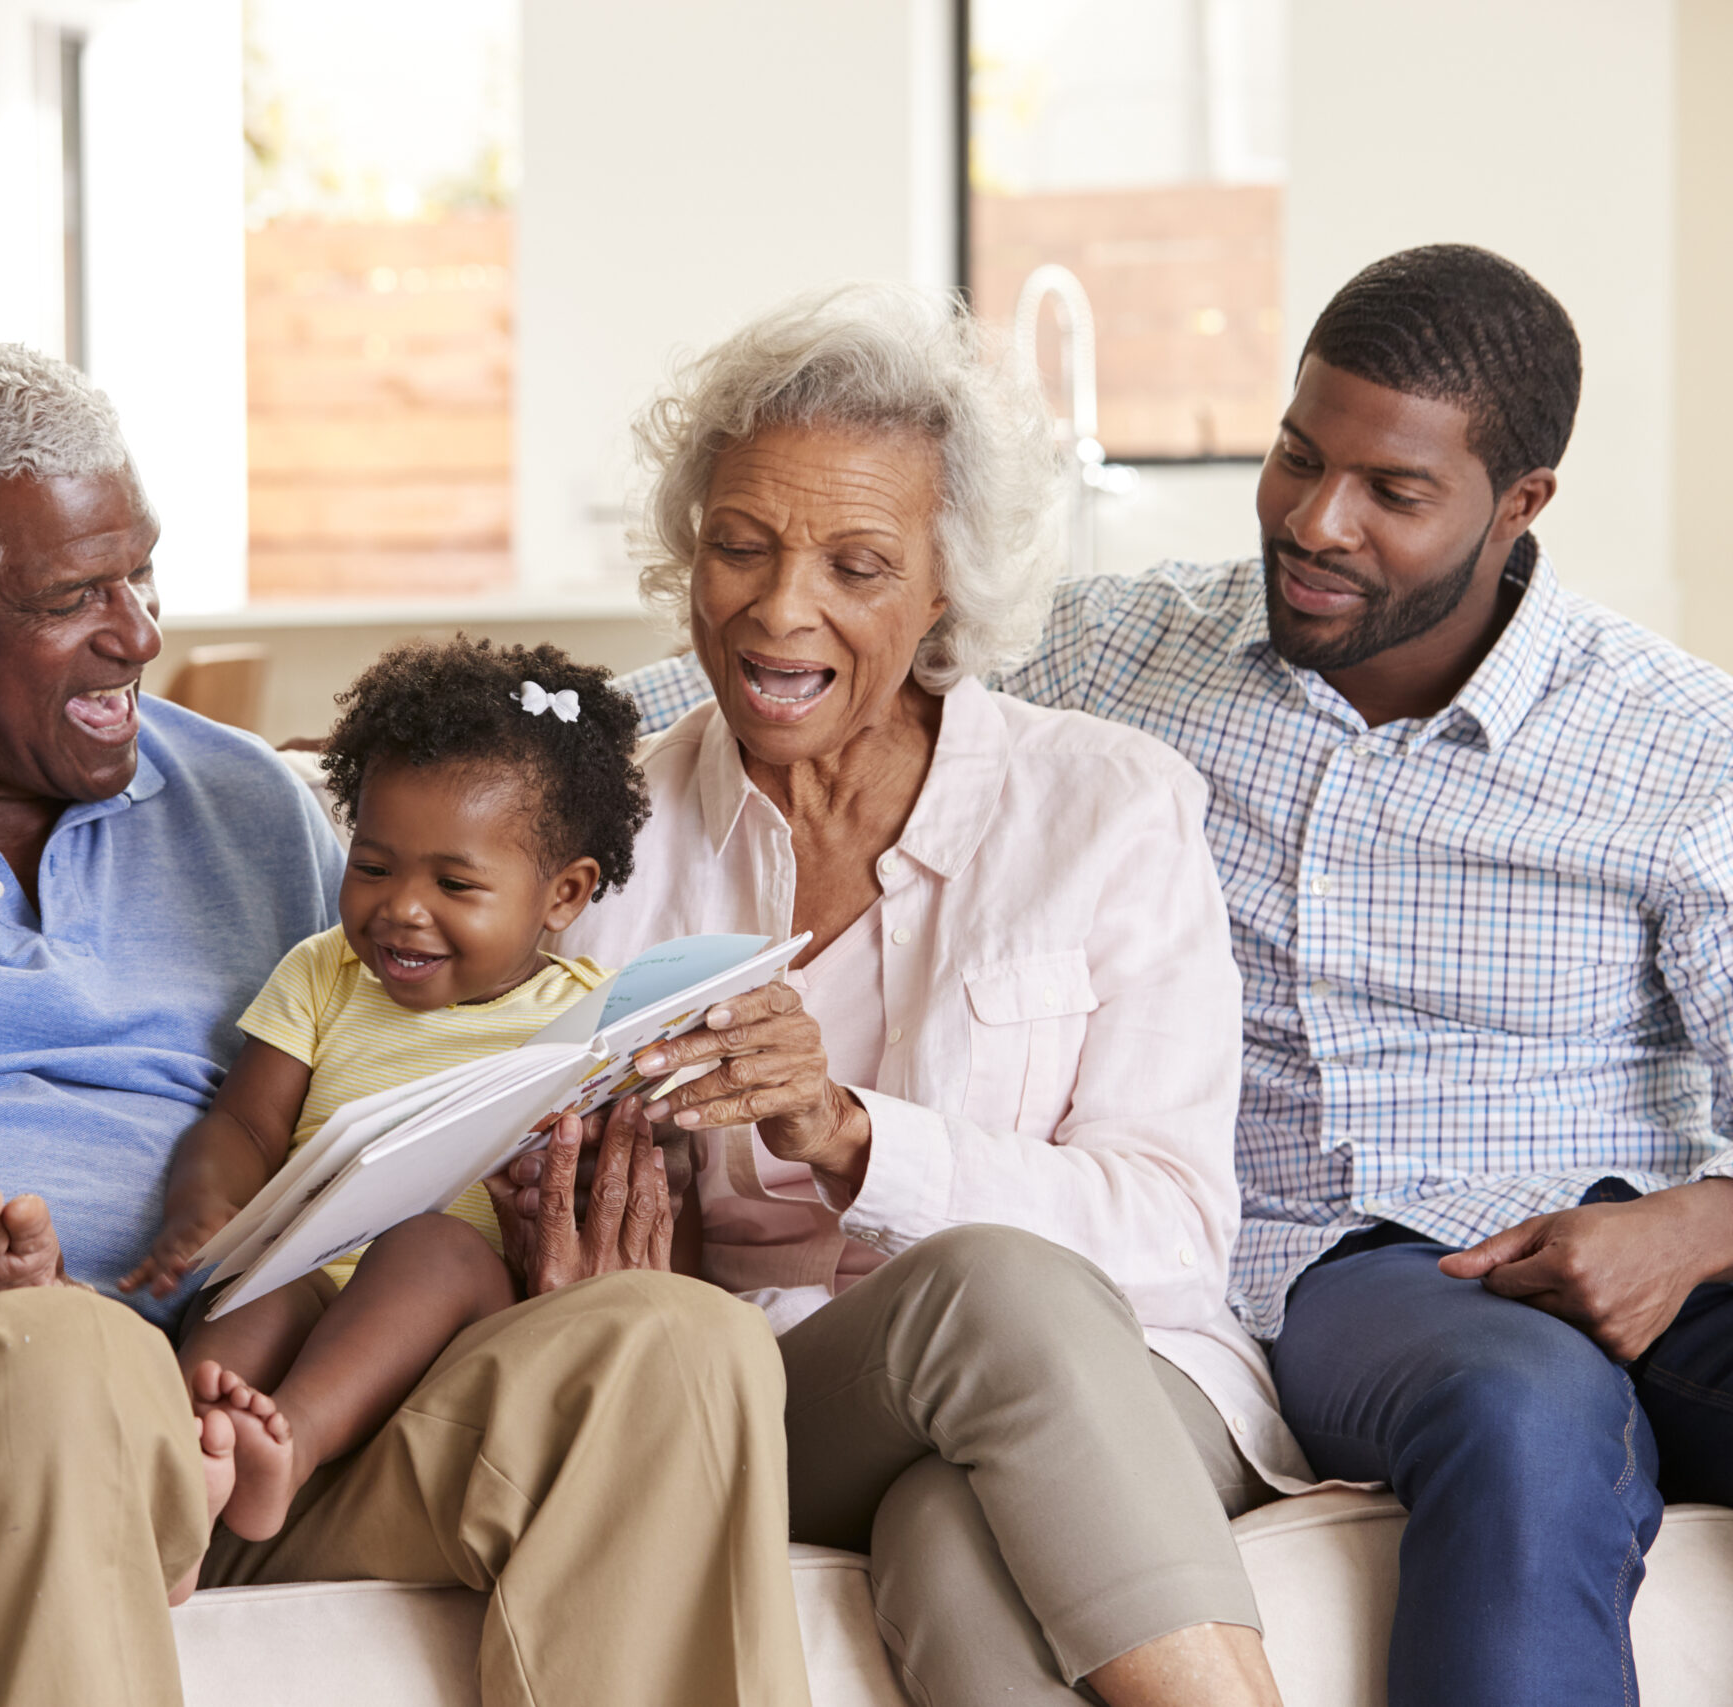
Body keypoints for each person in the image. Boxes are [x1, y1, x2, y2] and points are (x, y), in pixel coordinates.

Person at [0, 332, 814, 1707]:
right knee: (56, 1348)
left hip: (246, 1416)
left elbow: (377, 1077)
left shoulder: (246, 799)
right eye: (73, 597)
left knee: (674, 1342)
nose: (139, 633)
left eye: (140, 574)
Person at [619, 245, 1733, 1707]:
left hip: (1482, 1247)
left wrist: (1696, 1220)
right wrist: (465, 771)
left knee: (950, 1528)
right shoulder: (1126, 653)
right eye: (1297, 456)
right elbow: (755, 662)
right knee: (1514, 1404)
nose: (1316, 522)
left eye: (1392, 493)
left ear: (1519, 505)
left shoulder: (1677, 747)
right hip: (1297, 1288)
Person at [556, 283, 1316, 1707]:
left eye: (856, 564)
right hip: (787, 1391)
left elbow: (1169, 1233)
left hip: (1127, 1369)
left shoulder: (1105, 806)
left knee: (950, 1525)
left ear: (945, 585)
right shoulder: (606, 841)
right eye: (740, 546)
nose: (780, 609)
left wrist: (855, 1138)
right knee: (985, 1291)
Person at [124, 635, 650, 1540]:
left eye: (454, 882)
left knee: (432, 1245)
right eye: (372, 866)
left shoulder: (591, 1022)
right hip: (311, 1283)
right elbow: (245, 1127)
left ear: (563, 895)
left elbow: (626, 1193)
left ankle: (288, 1447)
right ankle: (174, 1471)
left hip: (459, 1328)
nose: (401, 907)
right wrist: (205, 1209)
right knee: (252, 1288)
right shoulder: (323, 972)